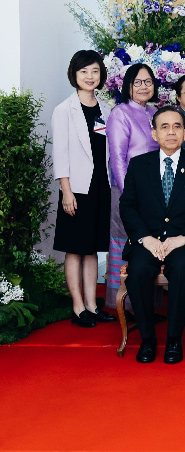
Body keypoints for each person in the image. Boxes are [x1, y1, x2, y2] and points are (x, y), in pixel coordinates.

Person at [119, 106, 185, 364]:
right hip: (149, 239)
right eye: (164, 127)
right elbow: (127, 206)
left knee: (181, 266)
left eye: (177, 126)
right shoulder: (139, 165)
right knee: (139, 269)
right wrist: (146, 238)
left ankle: (174, 340)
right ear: (154, 134)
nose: (171, 132)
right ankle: (148, 339)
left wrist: (183, 237)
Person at [52, 50, 115, 327]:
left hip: (101, 184)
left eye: (95, 71)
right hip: (75, 187)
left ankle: (92, 304)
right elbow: (61, 154)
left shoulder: (106, 109)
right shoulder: (64, 110)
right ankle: (78, 307)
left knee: (92, 249)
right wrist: (66, 191)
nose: (90, 77)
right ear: (74, 75)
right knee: (74, 248)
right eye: (84, 72)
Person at [105, 63, 158, 309]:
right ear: (128, 86)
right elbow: (117, 158)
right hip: (127, 193)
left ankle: (147, 304)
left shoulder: (154, 113)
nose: (143, 86)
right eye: (137, 82)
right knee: (124, 241)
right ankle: (125, 306)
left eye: (148, 81)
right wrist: (131, 196)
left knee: (149, 242)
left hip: (153, 193)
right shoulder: (120, 113)